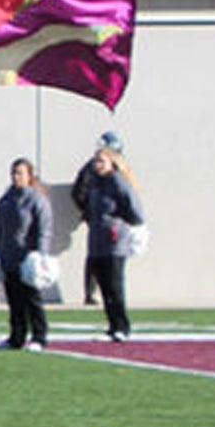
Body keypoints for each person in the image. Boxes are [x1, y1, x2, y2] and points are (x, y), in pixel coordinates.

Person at [79, 146, 144, 341]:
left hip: (114, 241)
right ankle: (112, 325)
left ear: (112, 163)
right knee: (104, 285)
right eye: (96, 161)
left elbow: (134, 208)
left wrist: (121, 226)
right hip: (96, 241)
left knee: (114, 285)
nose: (97, 165)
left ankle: (122, 326)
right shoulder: (95, 183)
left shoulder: (117, 181)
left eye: (101, 161)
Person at [0, 157, 54, 352]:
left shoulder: (37, 200)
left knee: (32, 298)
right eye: (14, 173)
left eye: (20, 173)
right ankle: (16, 337)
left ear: (30, 176)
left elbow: (44, 229)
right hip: (9, 255)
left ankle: (39, 336)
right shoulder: (6, 200)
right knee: (13, 299)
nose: (16, 177)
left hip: (28, 257)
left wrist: (40, 255)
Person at [71, 130, 126, 306]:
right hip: (97, 220)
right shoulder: (91, 169)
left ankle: (113, 293)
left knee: (114, 256)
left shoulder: (120, 170)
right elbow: (79, 192)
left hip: (115, 222)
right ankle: (91, 292)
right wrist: (90, 210)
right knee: (96, 255)